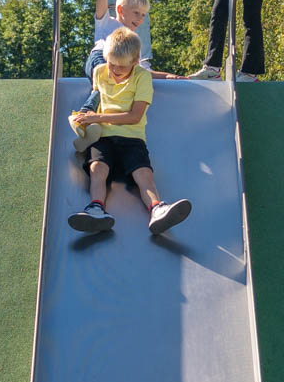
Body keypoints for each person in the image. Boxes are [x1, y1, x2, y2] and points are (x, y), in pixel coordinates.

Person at [67, 27, 192, 237]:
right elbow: (96, 97)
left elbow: (134, 116)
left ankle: (157, 208)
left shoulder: (142, 77)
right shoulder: (100, 71)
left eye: (121, 67)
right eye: (111, 64)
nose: (114, 70)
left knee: (143, 173)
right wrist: (86, 118)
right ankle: (96, 209)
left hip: (131, 136)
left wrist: (97, 118)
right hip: (104, 136)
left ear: (135, 61)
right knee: (97, 169)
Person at [72, 0, 179, 151]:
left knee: (119, 79)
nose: (139, 19)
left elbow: (139, 71)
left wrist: (169, 76)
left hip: (117, 70)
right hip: (99, 60)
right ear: (120, 10)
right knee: (107, 72)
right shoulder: (107, 23)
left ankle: (90, 130)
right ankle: (83, 114)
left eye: (143, 15)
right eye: (136, 13)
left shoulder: (133, 41)